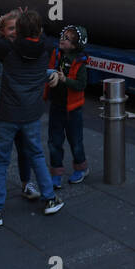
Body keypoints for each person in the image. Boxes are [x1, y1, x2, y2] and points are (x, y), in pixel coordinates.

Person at [0, 8, 64, 227]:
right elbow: (44, 35)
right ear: (38, 30)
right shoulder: (45, 49)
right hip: (31, 114)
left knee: (0, 161)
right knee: (36, 154)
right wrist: (31, 21)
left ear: (17, 31)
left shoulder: (8, 50)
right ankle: (50, 199)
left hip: (7, 114)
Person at [45, 24, 90, 191]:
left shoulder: (80, 63)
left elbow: (81, 85)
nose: (62, 39)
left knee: (75, 141)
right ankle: (56, 173)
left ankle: (81, 167)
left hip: (73, 109)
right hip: (57, 105)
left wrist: (65, 80)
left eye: (67, 38)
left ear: (76, 44)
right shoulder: (56, 54)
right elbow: (48, 69)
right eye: (63, 35)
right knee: (54, 141)